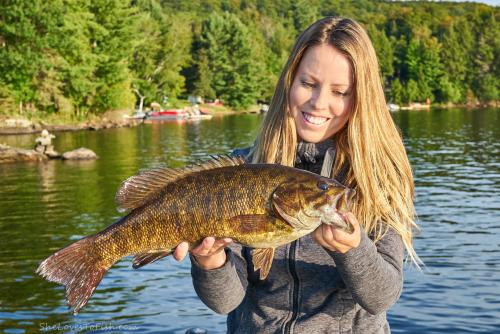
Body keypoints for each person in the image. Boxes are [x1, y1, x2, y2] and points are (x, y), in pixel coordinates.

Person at [174, 16, 419, 333]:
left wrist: (353, 249)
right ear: (289, 81)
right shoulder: (242, 169)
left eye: (339, 91)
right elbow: (225, 303)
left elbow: (382, 297)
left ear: (360, 98)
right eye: (308, 84)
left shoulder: (378, 179)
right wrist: (210, 263)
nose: (319, 103)